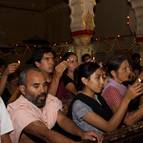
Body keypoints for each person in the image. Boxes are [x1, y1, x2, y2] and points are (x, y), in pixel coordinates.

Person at [7, 66, 101, 143]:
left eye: (44, 85)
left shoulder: (47, 100)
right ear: (23, 89)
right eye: (36, 86)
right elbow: (44, 133)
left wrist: (82, 133)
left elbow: (62, 119)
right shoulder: (17, 109)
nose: (42, 90)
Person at [68, 62, 143, 135]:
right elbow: (109, 127)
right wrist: (127, 98)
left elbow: (113, 118)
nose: (102, 82)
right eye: (97, 78)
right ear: (85, 81)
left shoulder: (97, 96)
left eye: (102, 77)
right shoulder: (79, 105)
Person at [102, 54, 143, 125]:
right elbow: (127, 121)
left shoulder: (120, 84)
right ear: (113, 73)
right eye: (125, 69)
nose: (129, 71)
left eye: (128, 68)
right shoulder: (111, 91)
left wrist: (140, 78)